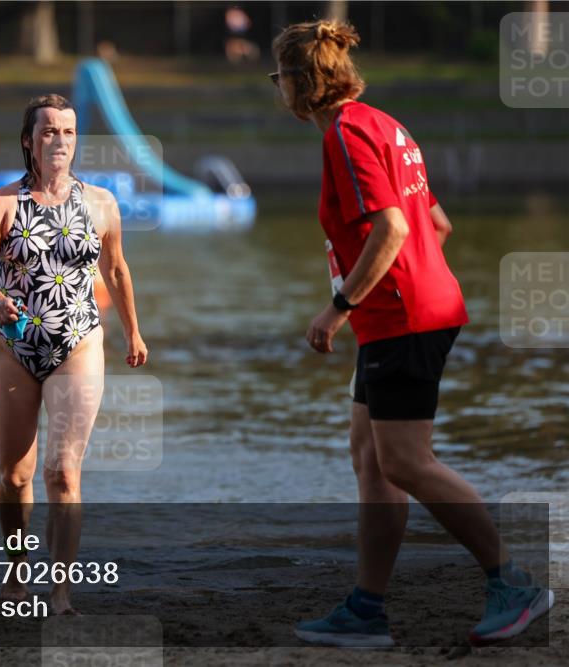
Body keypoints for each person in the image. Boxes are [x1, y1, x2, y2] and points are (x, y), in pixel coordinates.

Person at [269, 19, 554, 647]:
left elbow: (393, 229)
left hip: (403, 317)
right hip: (409, 310)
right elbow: (438, 225)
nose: (277, 88)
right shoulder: (386, 125)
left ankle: (516, 582)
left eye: (279, 76)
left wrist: (339, 305)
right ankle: (366, 610)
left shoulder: (344, 133)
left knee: (404, 460)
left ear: (301, 82)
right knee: (371, 458)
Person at [0, 94, 147, 615]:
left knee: (64, 473)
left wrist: (134, 332)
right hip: (14, 347)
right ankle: (17, 576)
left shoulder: (101, 203)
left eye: (68, 132)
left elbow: (116, 271)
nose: (60, 141)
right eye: (49, 132)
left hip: (79, 342)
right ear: (29, 141)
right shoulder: (1, 204)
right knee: (15, 474)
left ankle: (61, 592)